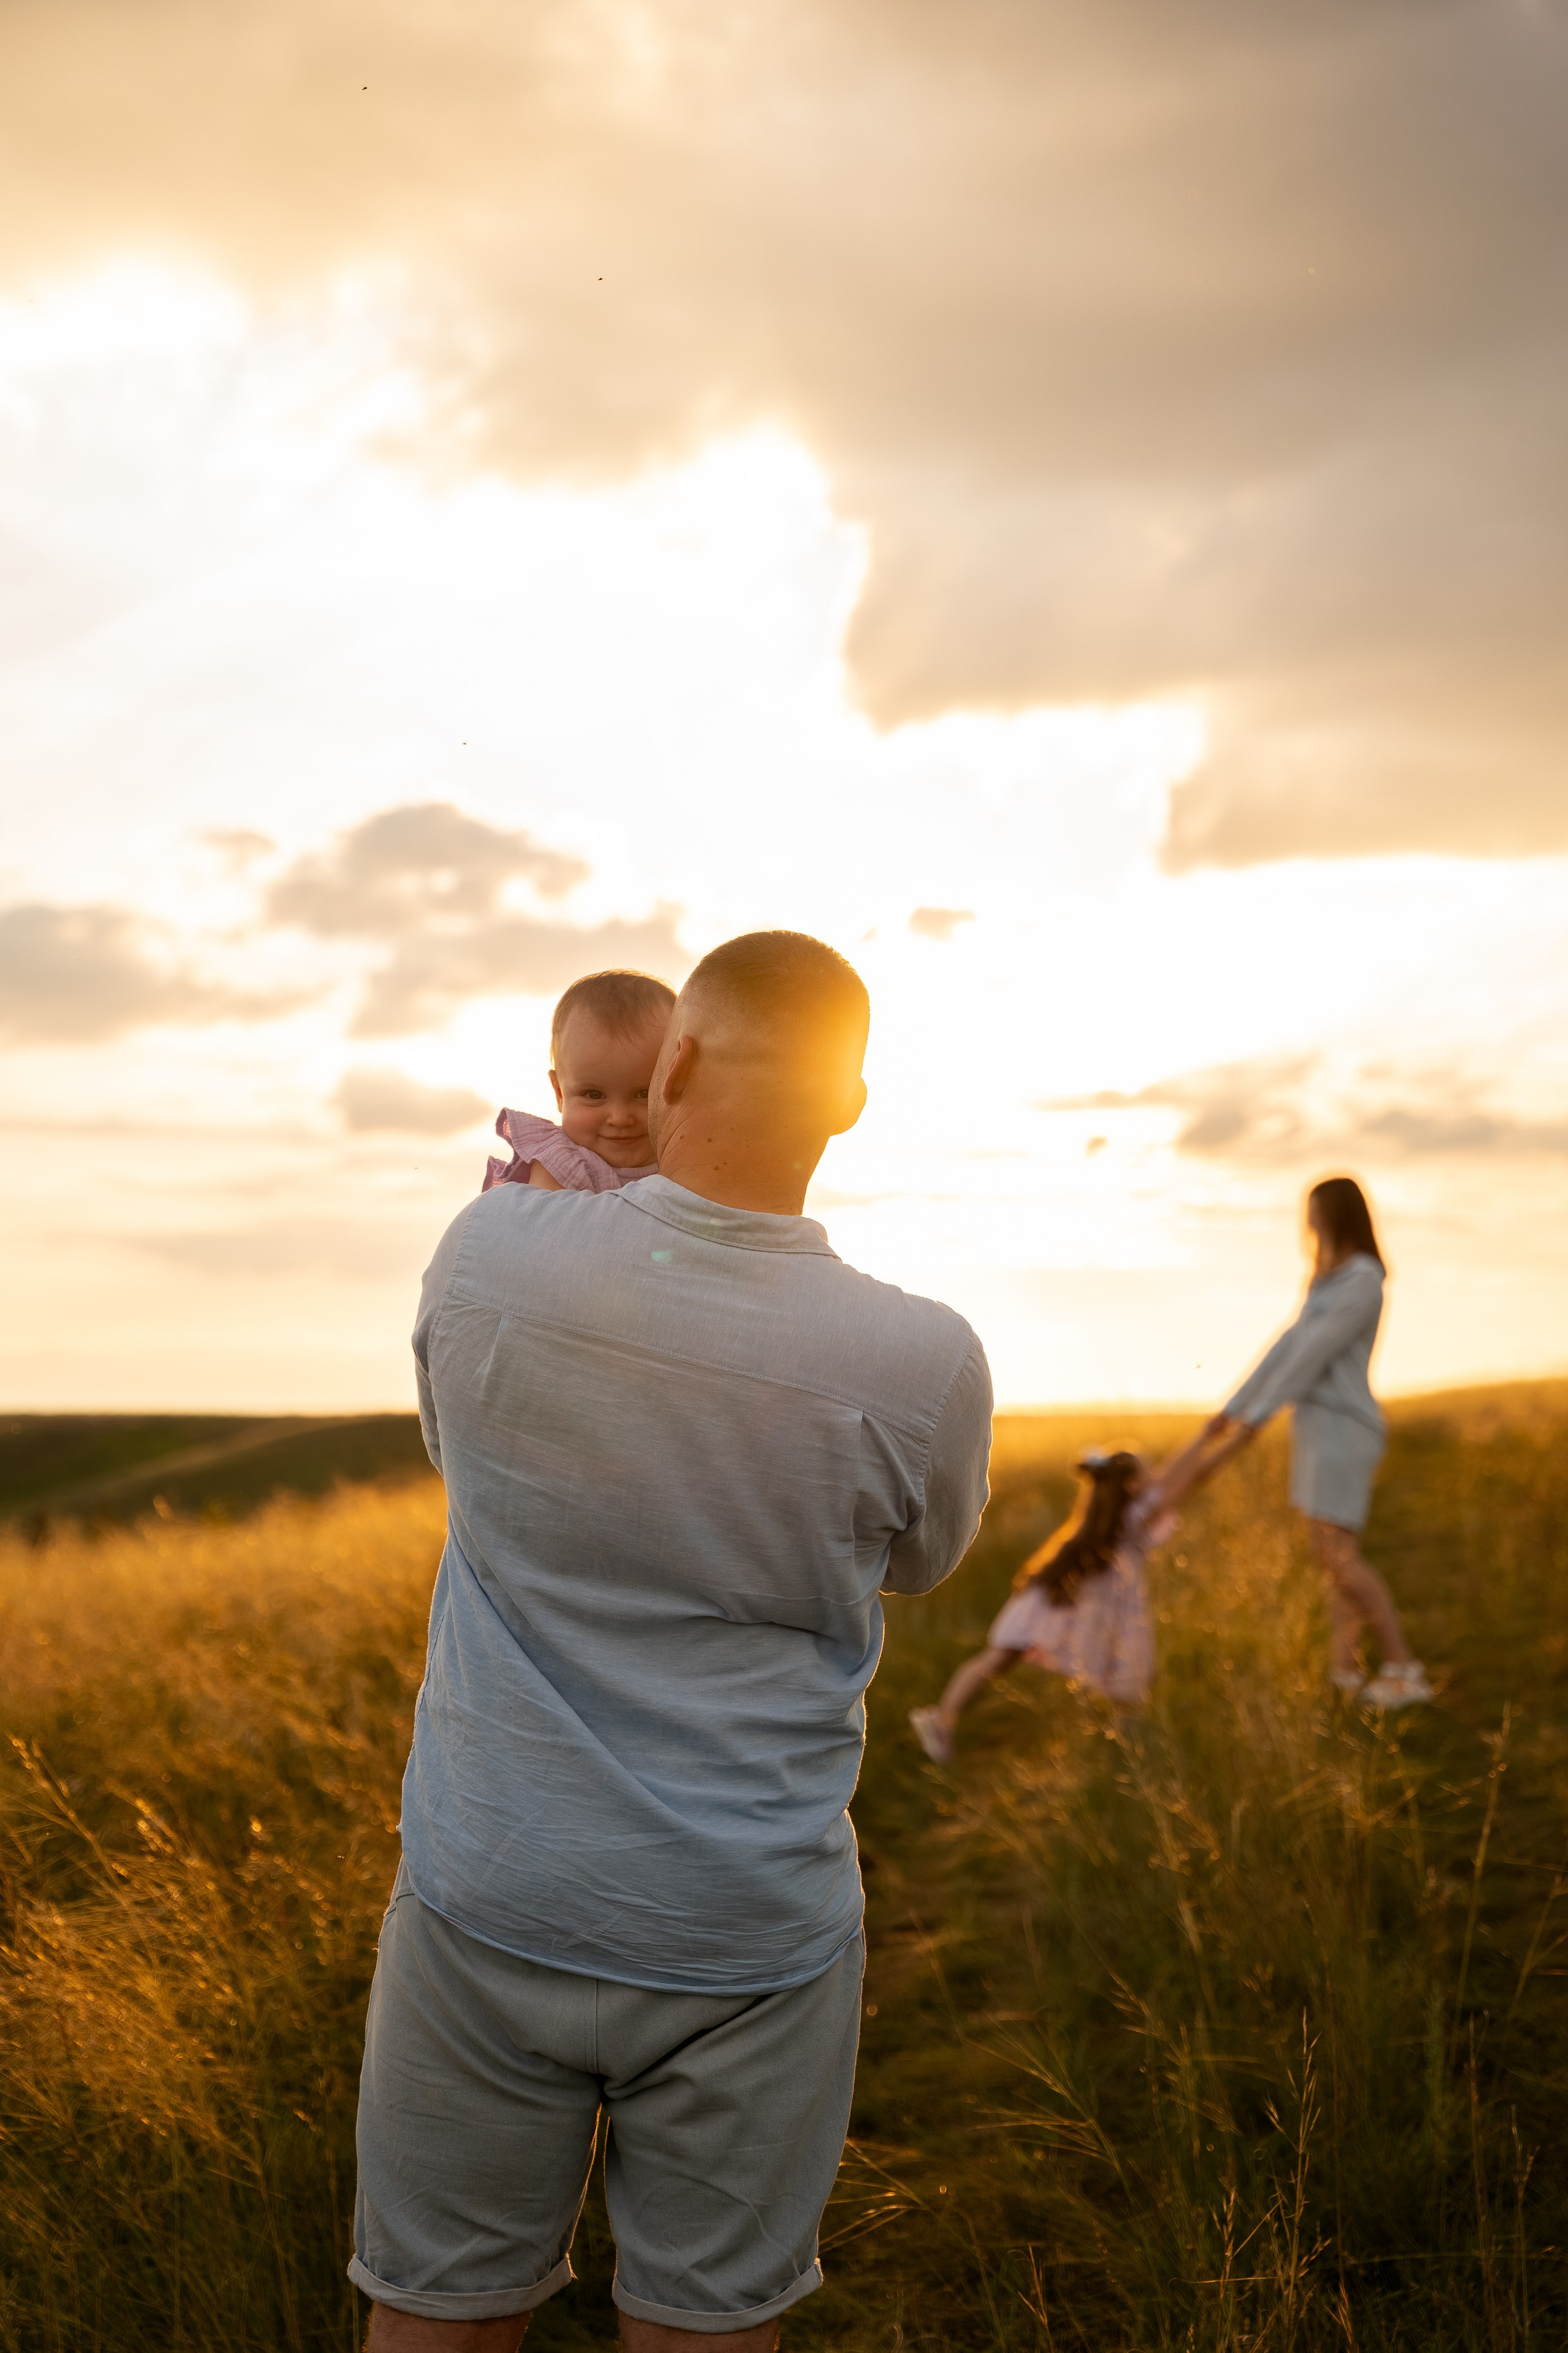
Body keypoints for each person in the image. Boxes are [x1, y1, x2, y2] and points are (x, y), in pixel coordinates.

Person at [350, 930, 993, 2352]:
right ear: (851, 1106)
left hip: (487, 1889)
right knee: (706, 2328)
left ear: (677, 1060)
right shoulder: (925, 1359)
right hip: (743, 1929)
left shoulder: (487, 1250)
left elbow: (463, 1454)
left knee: (435, 2316)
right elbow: (923, 1566)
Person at [1206, 1175, 1432, 1710]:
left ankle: (1403, 1667)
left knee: (1336, 1556)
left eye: (1313, 1212)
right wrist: (1232, 1405)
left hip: (1343, 1426)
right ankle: (1345, 1670)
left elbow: (1313, 1355)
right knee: (1332, 1556)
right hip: (1318, 1428)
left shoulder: (1361, 1278)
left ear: (1333, 1214)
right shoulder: (1323, 1280)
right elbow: (1285, 1344)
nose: (1306, 1223)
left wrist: (1258, 1416)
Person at [908, 1424, 1246, 1760]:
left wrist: (1206, 1436)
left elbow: (1174, 1476)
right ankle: (1128, 1755)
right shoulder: (1136, 1517)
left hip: (1057, 1593)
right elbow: (1192, 1478)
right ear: (1131, 1485)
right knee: (1126, 1678)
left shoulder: (1103, 1514)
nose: (1156, 1476)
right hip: (1087, 1605)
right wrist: (1225, 1442)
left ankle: (942, 1719)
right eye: (1147, 1472)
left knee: (1002, 1656)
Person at [483, 969, 676, 1195]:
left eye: (645, 1094)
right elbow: (548, 1224)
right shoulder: (561, 1163)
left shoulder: (692, 1159)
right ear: (560, 1094)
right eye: (594, 1095)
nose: (620, 1119)